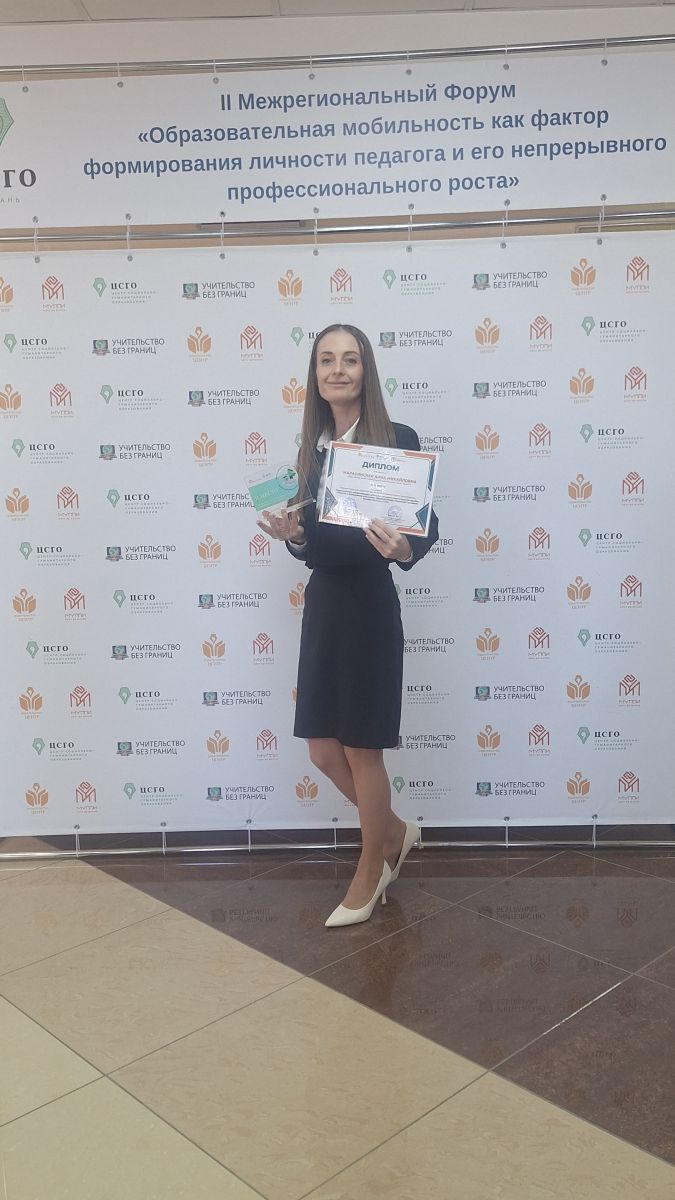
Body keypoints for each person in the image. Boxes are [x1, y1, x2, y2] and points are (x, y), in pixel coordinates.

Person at [257, 323, 438, 927]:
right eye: (327, 360)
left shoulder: (397, 439)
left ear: (366, 372)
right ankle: (394, 832)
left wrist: (403, 549)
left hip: (368, 607)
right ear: (315, 375)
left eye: (350, 359)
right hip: (325, 605)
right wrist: (294, 537)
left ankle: (371, 869)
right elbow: (314, 545)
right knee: (322, 749)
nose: (338, 369)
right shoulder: (311, 452)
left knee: (362, 748)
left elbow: (425, 529)